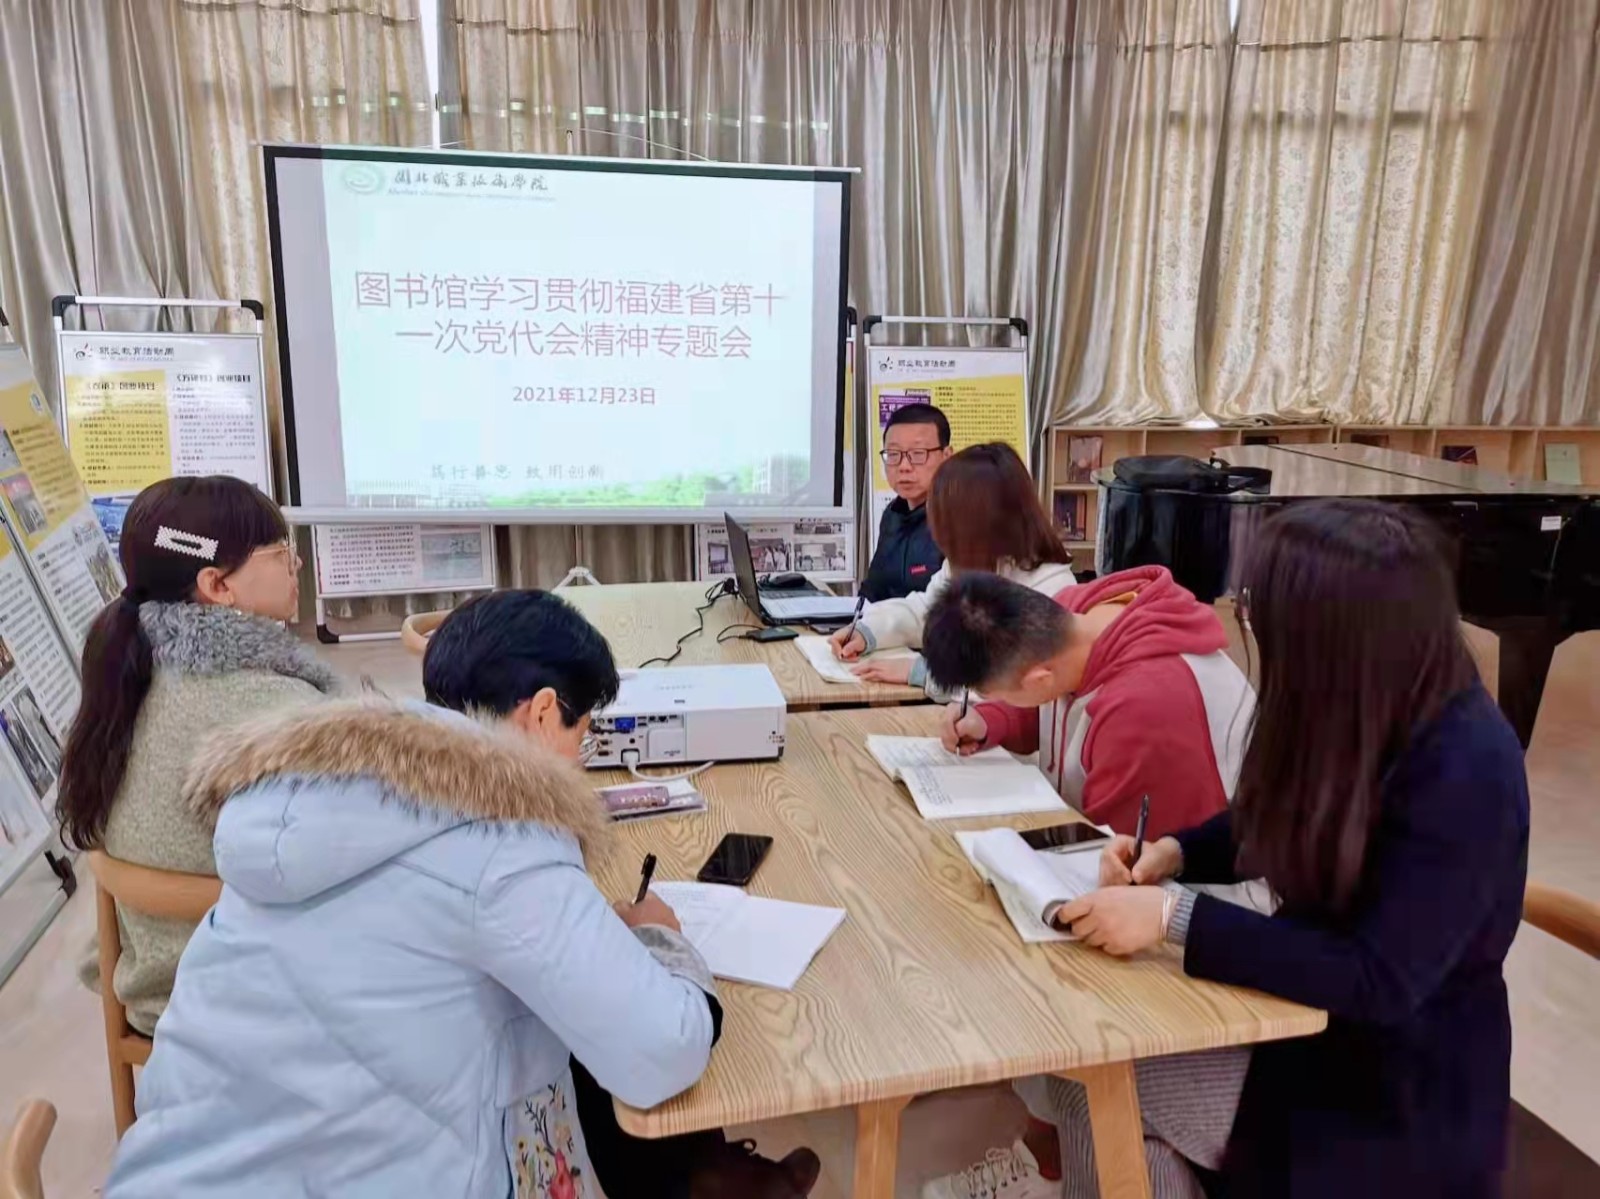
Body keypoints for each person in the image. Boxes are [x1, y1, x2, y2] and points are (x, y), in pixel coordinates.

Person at [105, 589, 819, 1199]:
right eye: (583, 731)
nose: (580, 758)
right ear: (543, 712)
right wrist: (662, 941)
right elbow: (660, 1052)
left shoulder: (305, 789)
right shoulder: (504, 837)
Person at [928, 500, 1530, 1199]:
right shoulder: (1366, 702)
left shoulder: (1467, 769)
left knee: (1097, 1082)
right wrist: (1178, 852)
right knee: (1087, 1080)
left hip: (1392, 1084)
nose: (1254, 633)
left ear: (1342, 637)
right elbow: (1279, 816)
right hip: (1303, 1017)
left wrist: (1173, 917)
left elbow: (1381, 979)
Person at [59, 475, 337, 1037]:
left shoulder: (126, 679)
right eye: (281, 553)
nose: (297, 565)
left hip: (154, 990)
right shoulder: (279, 708)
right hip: (262, 1003)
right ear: (217, 584)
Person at [922, 565, 1253, 838]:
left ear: (1038, 680)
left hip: (1207, 885)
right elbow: (1050, 699)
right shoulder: (1068, 619)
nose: (987, 699)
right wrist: (989, 719)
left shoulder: (1142, 707)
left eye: (991, 692)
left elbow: (1127, 859)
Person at [830, 442, 1074, 690]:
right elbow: (926, 613)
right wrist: (868, 632)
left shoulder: (1051, 587)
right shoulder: (966, 563)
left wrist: (924, 673)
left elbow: (1020, 688)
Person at [861, 403, 951, 601]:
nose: (904, 466)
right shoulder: (892, 515)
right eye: (893, 454)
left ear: (946, 457)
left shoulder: (959, 518)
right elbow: (872, 591)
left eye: (918, 454)